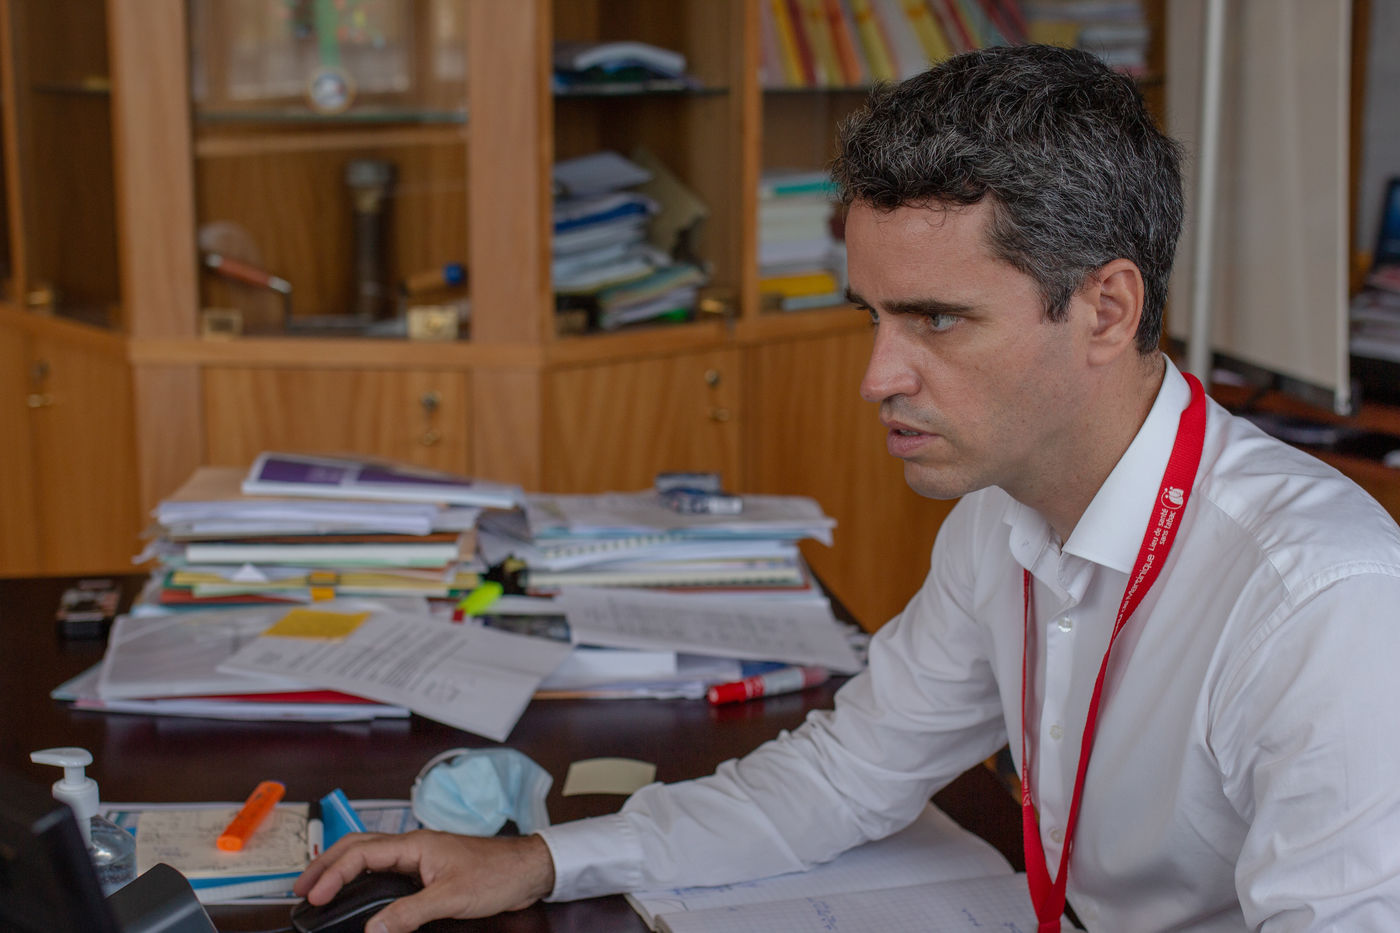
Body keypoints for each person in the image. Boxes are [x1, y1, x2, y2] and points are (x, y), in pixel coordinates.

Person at [294, 44, 1400, 931]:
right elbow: (844, 777)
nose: (877, 378)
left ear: (1105, 310)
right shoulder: (999, 517)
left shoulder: (1321, 601)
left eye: (937, 319)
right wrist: (541, 860)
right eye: (870, 315)